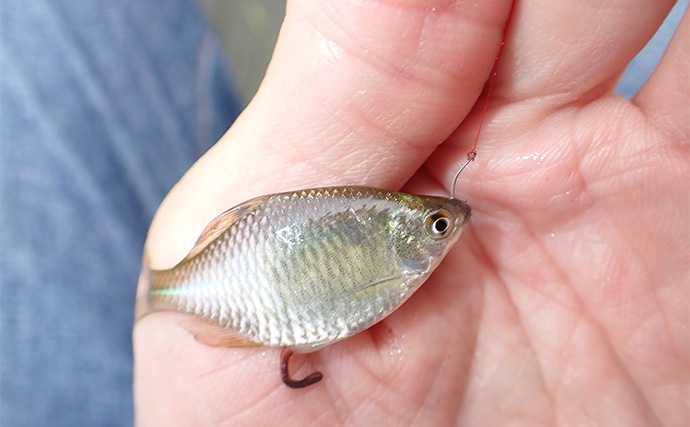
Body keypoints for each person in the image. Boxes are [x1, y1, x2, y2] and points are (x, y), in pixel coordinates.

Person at [2, 0, 688, 425]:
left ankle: (161, 288)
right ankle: (162, 288)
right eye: (438, 226)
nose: (450, 228)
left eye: (439, 224)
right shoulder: (393, 247)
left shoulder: (396, 248)